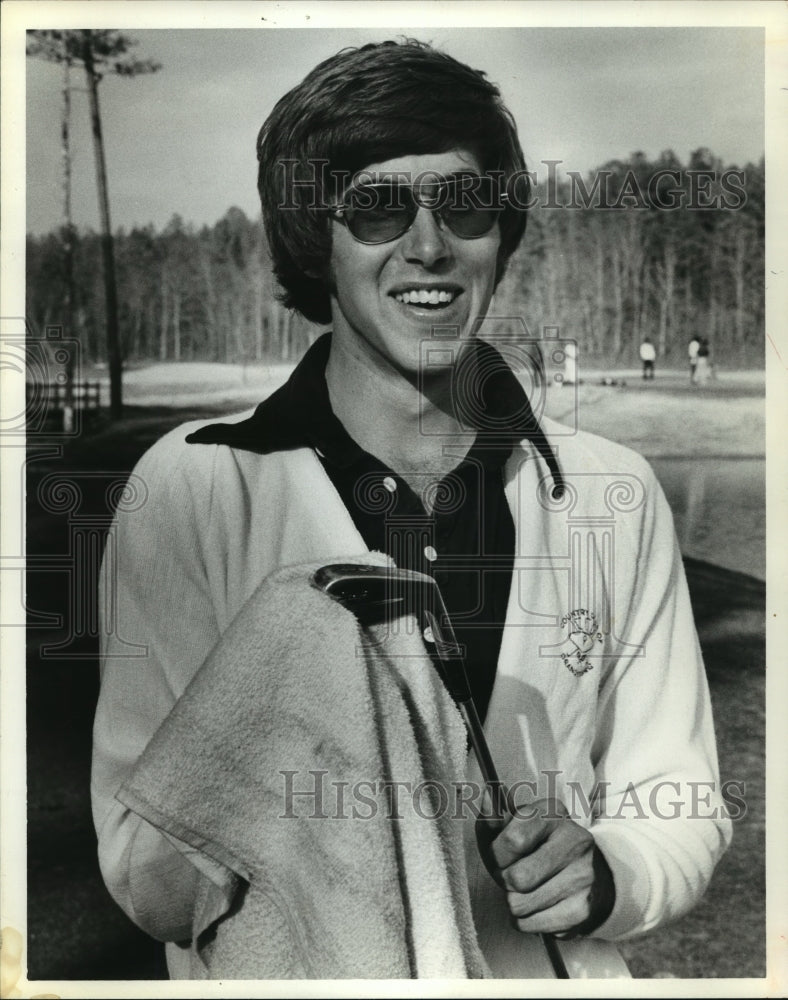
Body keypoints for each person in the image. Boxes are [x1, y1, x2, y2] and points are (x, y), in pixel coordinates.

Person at [92, 39, 731, 980]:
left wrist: (611, 872)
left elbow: (677, 792)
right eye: (379, 207)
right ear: (320, 240)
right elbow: (144, 873)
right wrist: (283, 680)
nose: (428, 245)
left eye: (464, 206)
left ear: (500, 233)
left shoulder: (612, 493)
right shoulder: (195, 491)